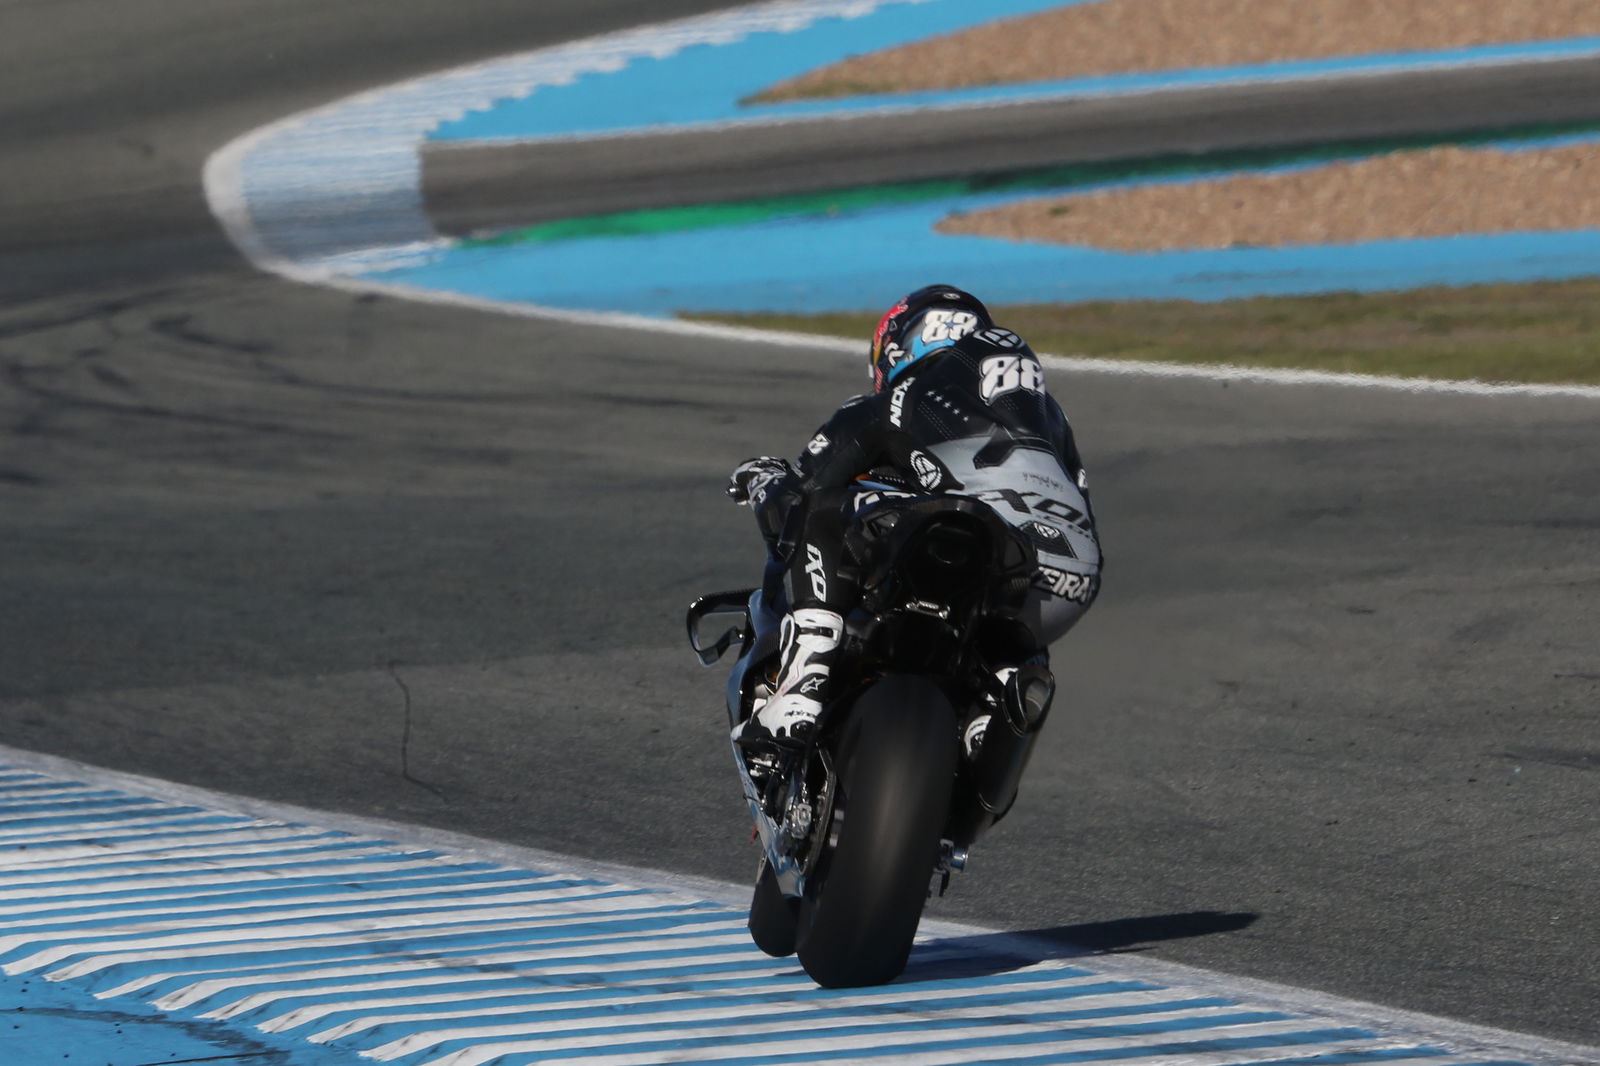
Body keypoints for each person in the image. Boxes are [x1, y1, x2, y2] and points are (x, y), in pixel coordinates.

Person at [727, 284, 1102, 749]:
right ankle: (995, 708)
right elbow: (1081, 496)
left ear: (900, 346)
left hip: (961, 541)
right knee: (1016, 638)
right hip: (1068, 578)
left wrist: (762, 479)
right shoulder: (1052, 420)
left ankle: (805, 681)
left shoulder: (896, 402)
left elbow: (801, 494)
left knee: (822, 511)